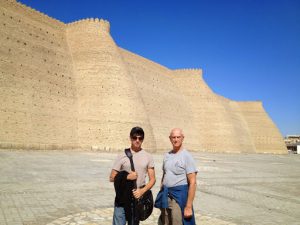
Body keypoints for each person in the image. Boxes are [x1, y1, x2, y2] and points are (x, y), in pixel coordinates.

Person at [109, 127, 156, 225]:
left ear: (143, 139)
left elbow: (152, 179)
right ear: (130, 138)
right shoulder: (122, 155)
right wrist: (126, 177)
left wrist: (141, 191)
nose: (137, 140)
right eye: (135, 138)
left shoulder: (148, 156)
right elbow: (112, 177)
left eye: (140, 138)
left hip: (136, 199)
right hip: (121, 197)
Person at [155, 128, 197, 225]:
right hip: (166, 196)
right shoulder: (167, 156)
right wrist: (162, 190)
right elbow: (164, 174)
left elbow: (193, 182)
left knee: (177, 222)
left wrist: (189, 206)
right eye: (173, 137)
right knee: (165, 221)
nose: (176, 139)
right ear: (170, 139)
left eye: (178, 137)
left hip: (179, 197)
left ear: (183, 138)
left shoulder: (187, 156)